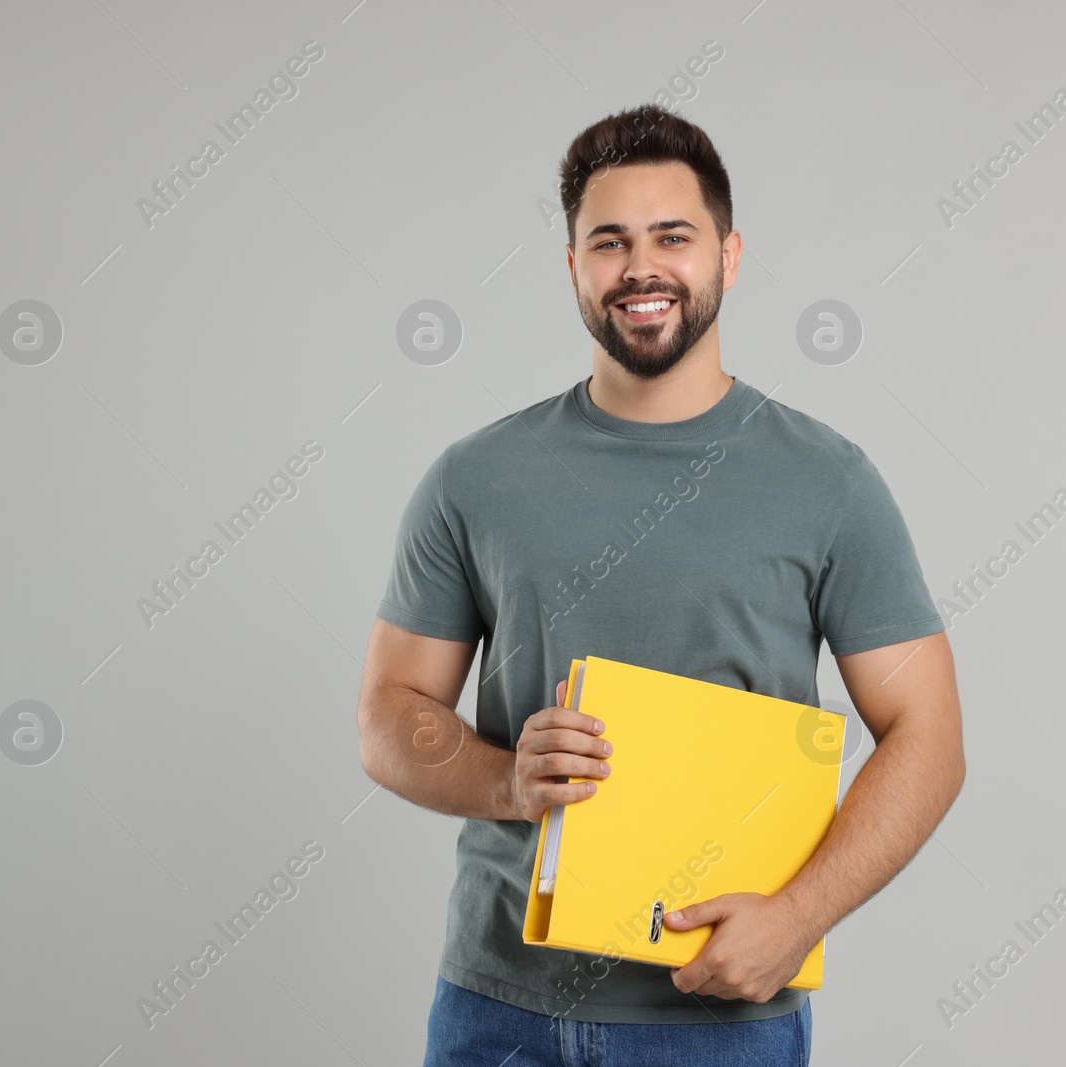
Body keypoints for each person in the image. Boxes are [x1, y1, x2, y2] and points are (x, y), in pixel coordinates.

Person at [358, 102, 965, 1066]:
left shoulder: (829, 481)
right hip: (497, 1010)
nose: (642, 268)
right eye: (610, 241)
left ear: (726, 257)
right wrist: (507, 780)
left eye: (672, 237)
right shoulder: (474, 478)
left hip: (722, 1021)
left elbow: (931, 738)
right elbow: (391, 716)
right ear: (573, 268)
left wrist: (800, 916)